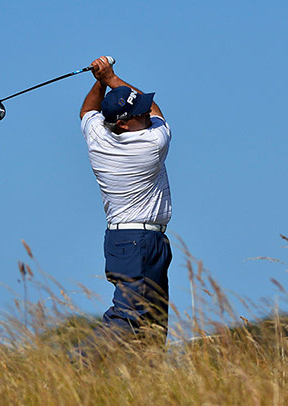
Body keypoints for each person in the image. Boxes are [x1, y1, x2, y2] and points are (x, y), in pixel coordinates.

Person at [79, 56, 172, 346]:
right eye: (138, 115)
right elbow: (157, 111)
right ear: (122, 124)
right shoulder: (152, 144)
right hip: (140, 241)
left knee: (152, 326)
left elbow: (87, 111)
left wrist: (99, 80)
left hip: (123, 240)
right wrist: (110, 78)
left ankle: (147, 385)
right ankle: (76, 366)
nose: (145, 115)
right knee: (128, 317)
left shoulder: (98, 138)